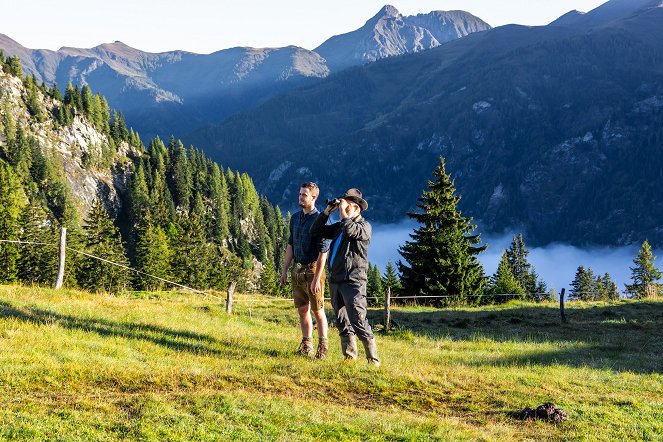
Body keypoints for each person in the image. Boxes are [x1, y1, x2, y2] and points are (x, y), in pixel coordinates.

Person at [310, 188, 380, 366]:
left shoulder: (364, 227)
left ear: (357, 208)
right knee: (342, 320)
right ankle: (349, 357)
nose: (345, 208)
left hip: (354, 280)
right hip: (337, 280)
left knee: (358, 318)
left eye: (349, 206)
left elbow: (350, 230)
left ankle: (373, 359)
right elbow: (315, 231)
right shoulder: (340, 226)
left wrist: (343, 214)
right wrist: (327, 212)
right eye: (345, 204)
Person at [280, 182, 330, 359]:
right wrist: (285, 270)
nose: (300, 197)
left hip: (313, 269)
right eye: (300, 194)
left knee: (318, 310)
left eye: (304, 195)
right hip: (297, 269)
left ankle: (323, 347)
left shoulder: (320, 220)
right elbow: (290, 245)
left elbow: (323, 252)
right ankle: (306, 344)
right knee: (302, 309)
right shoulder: (294, 218)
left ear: (313, 198)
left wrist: (317, 278)